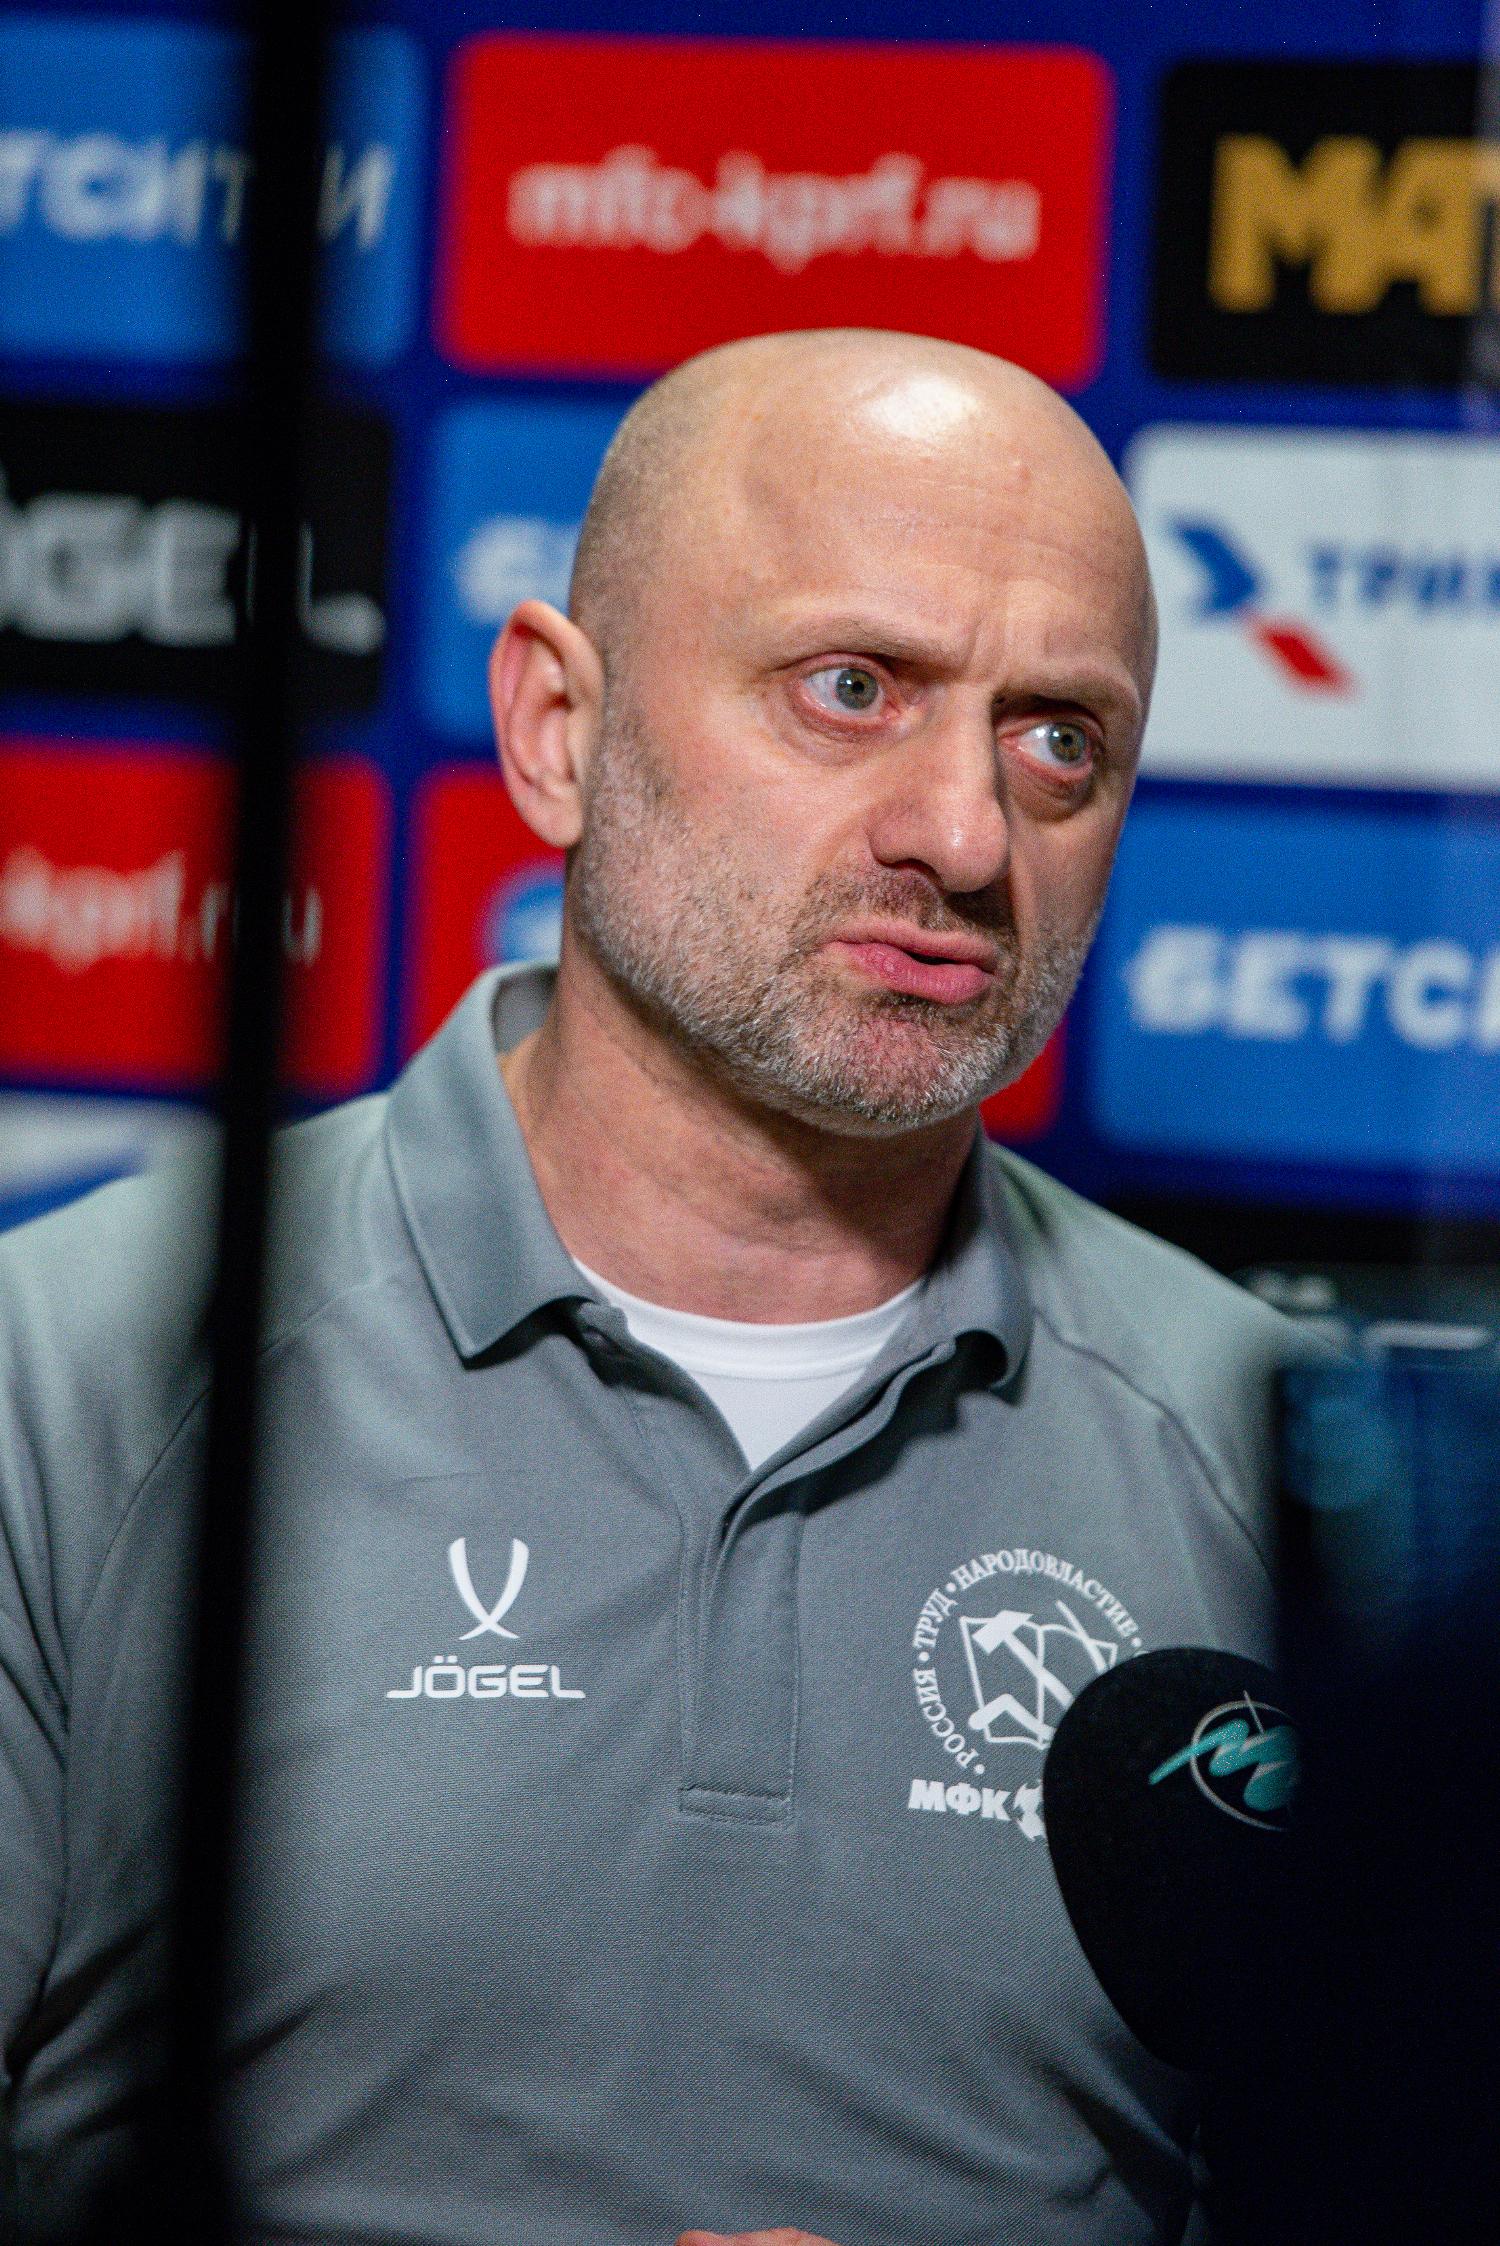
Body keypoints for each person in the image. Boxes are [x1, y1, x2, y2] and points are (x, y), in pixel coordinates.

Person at [0, 329, 1291, 2246]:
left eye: (1057, 740)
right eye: (850, 689)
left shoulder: (1288, 1470)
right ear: (556, 728)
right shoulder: (71, 1373)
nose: (962, 833)